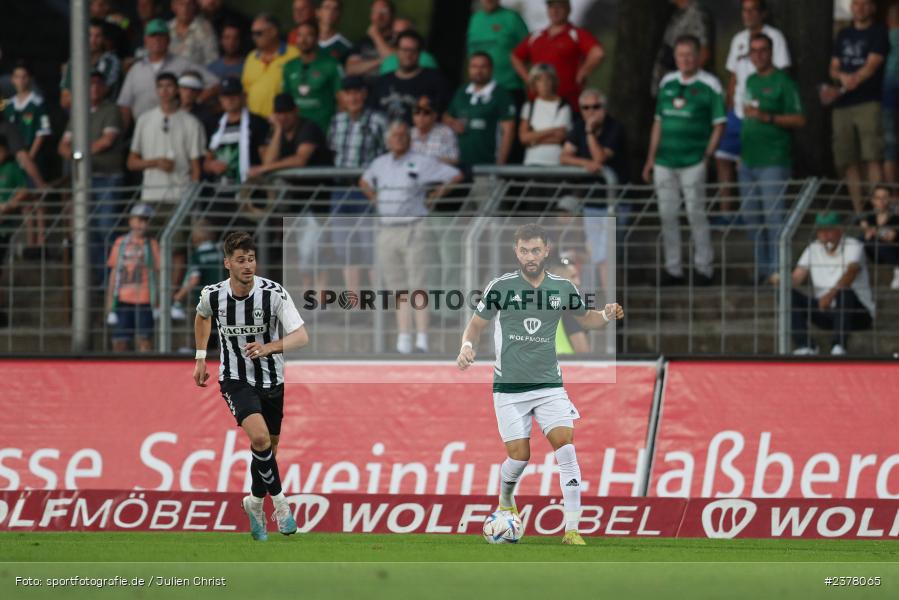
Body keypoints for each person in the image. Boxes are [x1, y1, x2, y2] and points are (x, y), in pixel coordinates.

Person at [455, 222, 623, 546]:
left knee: (567, 449)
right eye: (524, 250)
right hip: (509, 389)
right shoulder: (501, 287)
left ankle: (572, 530)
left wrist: (604, 314)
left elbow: (584, 318)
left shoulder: (562, 288)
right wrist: (466, 347)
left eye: (535, 250)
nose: (530, 256)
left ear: (546, 251)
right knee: (519, 458)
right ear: (515, 252)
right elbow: (474, 326)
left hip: (549, 386)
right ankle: (506, 501)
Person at [193, 231, 309, 540]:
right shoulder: (213, 294)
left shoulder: (273, 293)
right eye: (241, 260)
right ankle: (281, 505)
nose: (248, 266)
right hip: (235, 379)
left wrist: (269, 347)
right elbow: (202, 317)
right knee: (259, 439)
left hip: (273, 381)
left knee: (267, 449)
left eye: (251, 259)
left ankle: (254, 502)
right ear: (227, 263)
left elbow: (301, 336)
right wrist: (201, 356)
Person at [359, 120, 463, 354]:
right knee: (398, 287)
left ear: (409, 138)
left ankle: (422, 338)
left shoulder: (422, 161)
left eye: (403, 134)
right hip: (387, 229)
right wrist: (374, 198)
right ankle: (403, 337)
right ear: (388, 139)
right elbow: (364, 180)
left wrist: (436, 195)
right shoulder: (380, 162)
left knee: (418, 284)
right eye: (395, 135)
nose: (399, 138)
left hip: (413, 227)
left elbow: (454, 175)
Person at [643, 35, 725, 286]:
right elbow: (658, 122)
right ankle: (673, 269)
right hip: (664, 161)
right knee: (667, 213)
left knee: (695, 212)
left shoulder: (710, 84)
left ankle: (704, 268)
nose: (685, 60)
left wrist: (707, 156)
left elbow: (719, 124)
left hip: (693, 160)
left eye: (689, 54)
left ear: (699, 56)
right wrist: (650, 158)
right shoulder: (667, 82)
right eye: (680, 55)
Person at [738, 33, 805, 285]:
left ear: (771, 51)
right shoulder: (751, 80)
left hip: (774, 160)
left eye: (762, 50)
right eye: (753, 51)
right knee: (752, 217)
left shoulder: (783, 82)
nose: (758, 55)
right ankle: (762, 269)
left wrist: (768, 118)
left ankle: (778, 271)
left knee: (774, 217)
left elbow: (799, 119)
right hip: (747, 161)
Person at [716, 0, 790, 219]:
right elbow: (733, 77)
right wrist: (728, 108)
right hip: (737, 112)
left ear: (763, 13)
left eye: (752, 10)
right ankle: (726, 214)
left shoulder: (774, 38)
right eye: (744, 10)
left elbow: (781, 73)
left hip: (760, 113)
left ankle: (756, 212)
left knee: (752, 163)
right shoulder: (737, 39)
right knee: (723, 158)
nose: (747, 14)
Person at [59, 72, 126, 285]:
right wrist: (73, 156)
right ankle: (100, 281)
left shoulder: (111, 110)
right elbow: (63, 145)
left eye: (98, 84)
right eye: (90, 84)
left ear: (105, 88)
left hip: (108, 178)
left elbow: (106, 141)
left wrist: (79, 156)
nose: (94, 88)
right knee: (89, 232)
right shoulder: (78, 112)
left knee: (106, 228)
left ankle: (111, 280)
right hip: (85, 181)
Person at [560, 88, 627, 289]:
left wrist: (590, 133)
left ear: (604, 108)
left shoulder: (614, 128)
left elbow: (599, 158)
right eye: (585, 108)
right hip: (592, 202)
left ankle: (612, 306)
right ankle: (609, 304)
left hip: (615, 203)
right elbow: (564, 157)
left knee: (608, 254)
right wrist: (584, 164)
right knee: (599, 255)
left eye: (595, 107)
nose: (590, 112)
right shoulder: (578, 127)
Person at [827, 0, 889, 214]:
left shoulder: (879, 32)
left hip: (868, 101)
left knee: (872, 156)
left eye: (864, 4)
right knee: (848, 159)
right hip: (843, 103)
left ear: (872, 7)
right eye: (855, 4)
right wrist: (842, 77)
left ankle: (879, 211)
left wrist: (854, 79)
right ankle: (860, 212)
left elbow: (872, 64)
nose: (859, 8)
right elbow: (833, 68)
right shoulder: (843, 35)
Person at [328, 75, 388, 293]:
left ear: (364, 95)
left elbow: (387, 154)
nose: (353, 97)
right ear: (342, 97)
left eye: (357, 92)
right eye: (348, 93)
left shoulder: (378, 120)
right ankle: (353, 305)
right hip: (340, 189)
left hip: (366, 190)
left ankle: (378, 305)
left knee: (369, 246)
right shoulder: (336, 121)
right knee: (344, 247)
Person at [791, 212, 874, 355]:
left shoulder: (854, 245)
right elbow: (797, 277)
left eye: (828, 229)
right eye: (820, 230)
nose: (823, 234)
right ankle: (805, 345)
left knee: (844, 292)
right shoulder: (813, 248)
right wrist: (781, 281)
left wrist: (830, 296)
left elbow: (850, 273)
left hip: (857, 313)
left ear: (840, 229)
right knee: (788, 295)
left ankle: (839, 345)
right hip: (826, 310)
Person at [117, 18, 219, 130]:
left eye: (161, 36)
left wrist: (195, 101)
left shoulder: (183, 64)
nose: (157, 40)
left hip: (176, 128)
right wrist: (123, 132)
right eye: (153, 36)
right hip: (144, 130)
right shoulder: (136, 69)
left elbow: (215, 83)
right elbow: (125, 104)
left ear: (168, 40)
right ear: (145, 40)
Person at [128, 72, 206, 203]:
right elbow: (131, 163)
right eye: (160, 87)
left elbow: (196, 166)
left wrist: (191, 198)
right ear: (156, 90)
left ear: (177, 89)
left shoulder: (191, 123)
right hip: (151, 196)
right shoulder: (144, 120)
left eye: (169, 86)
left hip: (180, 195)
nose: (164, 91)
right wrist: (156, 162)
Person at [511, 0, 603, 110]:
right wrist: (528, 79)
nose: (555, 11)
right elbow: (516, 57)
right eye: (551, 7)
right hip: (537, 102)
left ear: (568, 9)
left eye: (559, 7)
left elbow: (597, 53)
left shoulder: (575, 34)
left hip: (568, 102)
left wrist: (583, 72)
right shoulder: (536, 36)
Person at [105, 202, 160, 353]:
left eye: (145, 220)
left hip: (145, 299)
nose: (141, 224)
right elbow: (114, 273)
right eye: (138, 219)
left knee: (144, 340)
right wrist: (110, 300)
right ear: (131, 221)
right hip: (122, 299)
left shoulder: (152, 244)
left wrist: (158, 300)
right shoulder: (120, 243)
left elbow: (158, 273)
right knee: (119, 341)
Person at [445, 51, 517, 167]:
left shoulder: (501, 94)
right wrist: (452, 122)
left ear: (491, 69)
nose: (478, 71)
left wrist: (500, 164)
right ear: (468, 69)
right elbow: (447, 116)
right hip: (459, 165)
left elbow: (508, 130)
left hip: (488, 165)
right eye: (474, 66)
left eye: (483, 66)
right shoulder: (462, 91)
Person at [369, 30, 448, 124]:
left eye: (413, 50)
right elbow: (371, 113)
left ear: (420, 53)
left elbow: (443, 114)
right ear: (397, 51)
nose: (408, 54)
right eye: (404, 50)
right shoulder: (383, 81)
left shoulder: (435, 80)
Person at [281, 20, 342, 134]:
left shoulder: (331, 64)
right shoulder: (289, 66)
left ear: (317, 38)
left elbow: (342, 100)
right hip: (296, 132)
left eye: (309, 35)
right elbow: (286, 101)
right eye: (299, 35)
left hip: (323, 131)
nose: (303, 40)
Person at [205, 77, 269, 185]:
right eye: (225, 96)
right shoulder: (213, 122)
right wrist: (211, 165)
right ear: (220, 99)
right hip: (217, 193)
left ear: (243, 96)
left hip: (249, 190)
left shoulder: (257, 122)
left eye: (233, 95)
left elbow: (266, 158)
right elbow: (207, 161)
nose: (229, 100)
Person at [466, 0, 530, 103]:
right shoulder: (474, 19)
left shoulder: (512, 18)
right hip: (479, 89)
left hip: (509, 88)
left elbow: (529, 51)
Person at [241, 13, 299, 118]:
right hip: (255, 121)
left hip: (283, 120)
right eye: (252, 33)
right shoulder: (251, 57)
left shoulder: (294, 54)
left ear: (273, 31)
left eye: (258, 33)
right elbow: (245, 90)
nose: (254, 37)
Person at [651, 0, 713, 96]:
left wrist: (689, 82)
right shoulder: (675, 12)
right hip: (668, 84)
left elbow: (704, 52)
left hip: (684, 89)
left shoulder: (695, 14)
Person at [3, 62, 51, 184]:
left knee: (34, 191)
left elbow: (43, 132)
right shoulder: (8, 105)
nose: (20, 81)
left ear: (30, 79)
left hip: (33, 157)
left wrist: (29, 157)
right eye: (17, 77)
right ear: (12, 79)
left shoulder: (37, 103)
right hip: (13, 161)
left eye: (24, 77)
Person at [60, 18, 123, 110]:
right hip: (79, 119)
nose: (93, 40)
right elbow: (64, 100)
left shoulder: (111, 61)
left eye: (97, 36)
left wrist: (75, 95)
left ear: (103, 39)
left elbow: (98, 94)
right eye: (89, 35)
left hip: (104, 116)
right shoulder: (74, 61)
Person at [519, 63, 572, 167]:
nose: (545, 83)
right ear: (534, 83)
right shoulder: (529, 106)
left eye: (548, 79)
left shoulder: (563, 106)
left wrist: (533, 139)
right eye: (539, 79)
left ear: (554, 82)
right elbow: (523, 138)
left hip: (556, 162)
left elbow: (560, 137)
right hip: (531, 161)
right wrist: (552, 130)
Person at [171, 219, 222, 321]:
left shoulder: (197, 255)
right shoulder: (220, 252)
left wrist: (179, 296)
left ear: (194, 237)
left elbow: (194, 279)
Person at [859, 185, 899, 290]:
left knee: (873, 239)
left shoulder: (895, 216)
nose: (881, 201)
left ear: (891, 199)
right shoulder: (870, 217)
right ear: (872, 200)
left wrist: (871, 230)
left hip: (894, 251)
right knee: (861, 240)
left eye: (884, 197)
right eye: (877, 197)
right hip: (878, 253)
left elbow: (890, 237)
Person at [345, 0, 395, 79]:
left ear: (392, 15)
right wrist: (380, 61)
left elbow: (395, 62)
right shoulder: (362, 42)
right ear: (371, 15)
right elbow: (351, 69)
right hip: (365, 88)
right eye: (375, 11)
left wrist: (376, 36)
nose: (379, 16)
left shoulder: (399, 40)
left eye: (384, 12)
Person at [169, 0, 219, 67]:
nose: (185, 8)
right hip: (168, 75)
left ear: (194, 6)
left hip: (196, 75)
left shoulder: (205, 29)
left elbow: (212, 61)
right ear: (173, 6)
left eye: (189, 4)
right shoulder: (166, 29)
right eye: (181, 4)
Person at [411, 96, 458, 164]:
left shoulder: (446, 132)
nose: (421, 116)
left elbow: (455, 160)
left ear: (434, 115)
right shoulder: (408, 134)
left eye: (426, 112)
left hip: (438, 172)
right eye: (417, 112)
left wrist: (431, 162)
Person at [883, 5, 899, 184]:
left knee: (890, 150)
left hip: (889, 99)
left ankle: (893, 196)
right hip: (891, 97)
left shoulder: (886, 37)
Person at [177, 70, 217, 139]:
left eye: (193, 89)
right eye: (185, 88)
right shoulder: (168, 112)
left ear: (199, 92)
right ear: (178, 89)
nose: (188, 93)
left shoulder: (207, 116)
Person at [317, 0, 353, 65]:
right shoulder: (303, 40)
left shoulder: (345, 46)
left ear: (339, 14)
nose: (331, 12)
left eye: (335, 9)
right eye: (327, 8)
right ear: (318, 12)